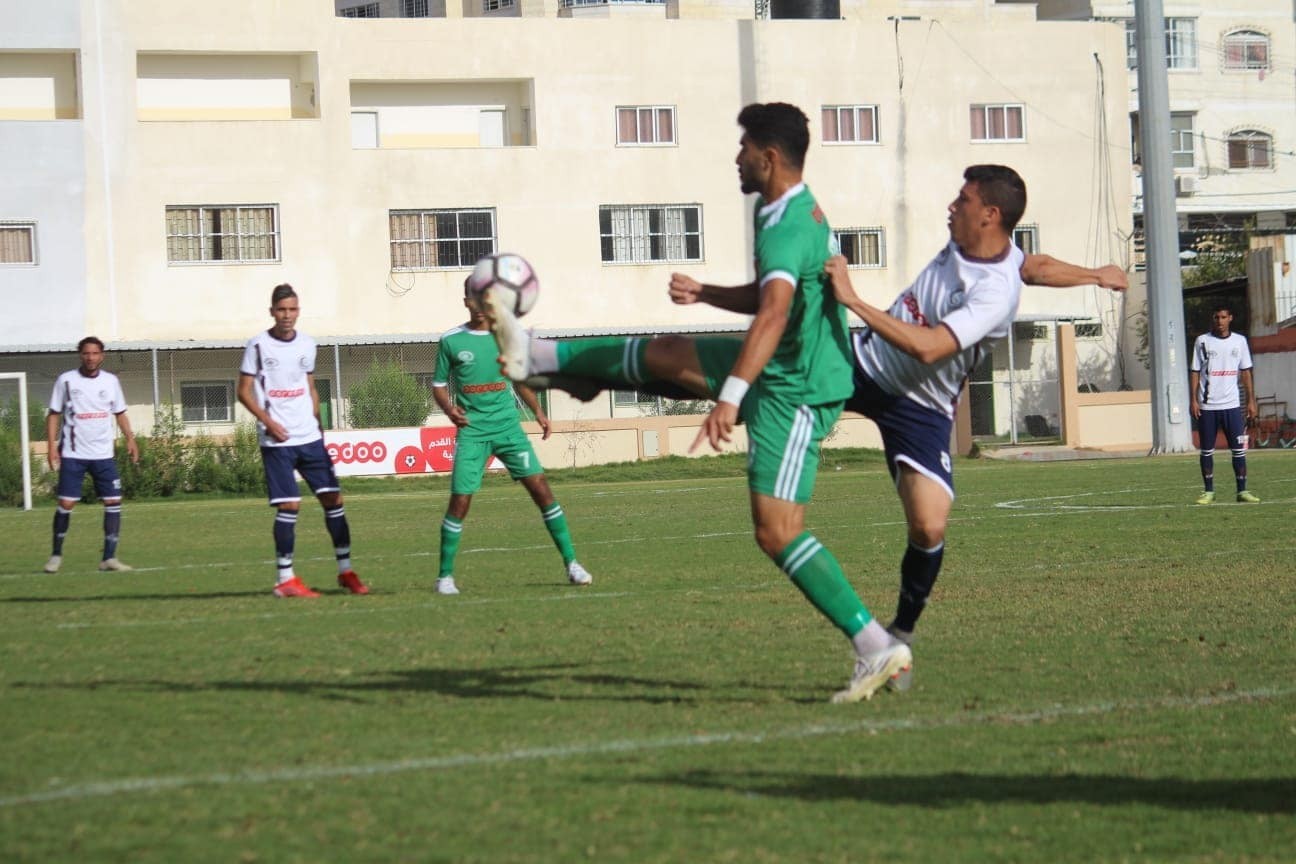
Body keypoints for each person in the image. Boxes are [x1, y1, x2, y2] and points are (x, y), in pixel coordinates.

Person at [485, 102, 910, 704]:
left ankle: (875, 644)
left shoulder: (789, 224)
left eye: (744, 148)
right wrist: (707, 292)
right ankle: (540, 358)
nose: (736, 158)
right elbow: (774, 294)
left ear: (769, 157)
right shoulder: (780, 208)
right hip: (780, 365)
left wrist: (730, 398)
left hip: (797, 390)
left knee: (778, 533)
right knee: (666, 353)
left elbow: (774, 313)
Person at [822, 164, 1128, 690]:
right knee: (764, 388)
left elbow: (929, 348)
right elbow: (1038, 265)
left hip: (920, 405)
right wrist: (1096, 275)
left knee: (929, 527)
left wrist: (852, 299)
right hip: (864, 361)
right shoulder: (991, 249)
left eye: (961, 200)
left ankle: (898, 637)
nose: (951, 206)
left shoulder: (994, 292)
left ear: (989, 214)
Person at [430, 285, 593, 595]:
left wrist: (538, 412)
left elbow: (519, 380)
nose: (479, 304)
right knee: (460, 501)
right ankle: (444, 577)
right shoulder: (451, 340)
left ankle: (572, 564)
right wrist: (450, 410)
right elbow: (438, 385)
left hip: (508, 429)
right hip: (473, 432)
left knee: (542, 490)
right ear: (465, 301)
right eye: (474, 298)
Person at [237, 283, 369, 598]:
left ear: (298, 311)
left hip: (309, 437)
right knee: (289, 505)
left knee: (333, 500)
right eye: (282, 310)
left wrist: (318, 425)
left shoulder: (307, 344)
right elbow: (243, 391)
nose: (287, 315)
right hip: (277, 441)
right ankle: (285, 579)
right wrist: (269, 422)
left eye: (292, 309)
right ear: (272, 312)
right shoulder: (258, 346)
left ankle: (346, 571)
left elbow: (309, 386)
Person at [43, 336, 140, 573]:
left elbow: (120, 413)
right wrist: (51, 446)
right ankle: (56, 555)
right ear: (80, 355)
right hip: (73, 453)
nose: (91, 357)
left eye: (95, 353)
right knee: (66, 503)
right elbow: (54, 414)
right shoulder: (66, 380)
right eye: (86, 353)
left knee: (113, 501)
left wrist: (130, 438)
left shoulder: (111, 381)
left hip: (103, 455)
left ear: (102, 356)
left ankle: (109, 558)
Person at [1189, 302, 1259, 504]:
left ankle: (1242, 491)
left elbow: (1246, 372)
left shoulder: (1240, 341)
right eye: (1216, 317)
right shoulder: (1202, 341)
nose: (1219, 321)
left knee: (1238, 450)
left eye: (1223, 317)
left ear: (1230, 318)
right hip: (1208, 406)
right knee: (1206, 450)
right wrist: (1193, 400)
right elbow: (1195, 372)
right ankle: (1208, 492)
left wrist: (1251, 401)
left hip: (1232, 406)